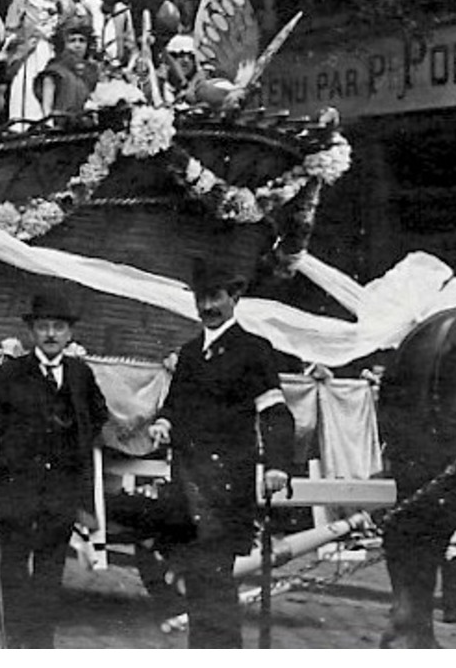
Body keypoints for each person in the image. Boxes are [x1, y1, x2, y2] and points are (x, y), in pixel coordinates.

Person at [148, 258, 293, 648]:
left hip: (224, 486)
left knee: (216, 578)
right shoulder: (191, 352)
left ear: (234, 297)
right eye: (201, 300)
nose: (208, 308)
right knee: (195, 577)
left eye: (215, 298)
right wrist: (164, 422)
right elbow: (174, 405)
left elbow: (276, 413)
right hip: (186, 480)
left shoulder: (254, 350)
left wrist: (278, 465)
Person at [0, 294, 109, 648]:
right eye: (44, 327)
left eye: (58, 327)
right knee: (15, 567)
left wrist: (74, 440)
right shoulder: (9, 373)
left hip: (60, 492)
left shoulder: (80, 374)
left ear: (69, 334)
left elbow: (99, 414)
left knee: (50, 571)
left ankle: (40, 644)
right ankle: (16, 641)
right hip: (15, 489)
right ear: (32, 331)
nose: (51, 333)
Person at [2, 0, 72, 124]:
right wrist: (23, 41)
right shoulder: (22, 3)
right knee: (27, 97)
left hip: (55, 57)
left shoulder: (63, 5)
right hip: (28, 58)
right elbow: (8, 35)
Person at [36, 11, 101, 116]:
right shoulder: (54, 71)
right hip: (63, 127)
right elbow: (47, 109)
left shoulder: (91, 71)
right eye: (72, 41)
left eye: (82, 41)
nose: (77, 45)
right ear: (62, 44)